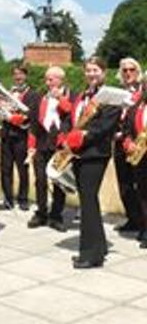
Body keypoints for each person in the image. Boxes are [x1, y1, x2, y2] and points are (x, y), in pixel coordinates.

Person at [65, 57, 122, 269]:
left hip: (96, 153)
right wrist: (66, 136)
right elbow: (72, 120)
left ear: (104, 72)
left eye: (95, 70)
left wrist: (83, 137)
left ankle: (90, 255)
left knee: (88, 199)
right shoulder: (81, 96)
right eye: (88, 70)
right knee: (88, 200)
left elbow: (106, 125)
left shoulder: (111, 95)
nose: (91, 74)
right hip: (79, 153)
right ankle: (98, 246)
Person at [27, 66, 74, 232]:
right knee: (40, 180)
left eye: (51, 79)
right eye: (46, 79)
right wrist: (31, 147)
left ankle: (56, 215)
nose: (48, 82)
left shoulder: (71, 95)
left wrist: (60, 97)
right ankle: (41, 212)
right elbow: (33, 124)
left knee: (59, 182)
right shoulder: (39, 97)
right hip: (41, 144)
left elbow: (71, 112)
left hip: (60, 145)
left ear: (61, 79)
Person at [0, 64, 39, 210]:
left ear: (25, 76)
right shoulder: (7, 92)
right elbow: (0, 111)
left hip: (21, 135)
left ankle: (23, 199)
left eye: (21, 74)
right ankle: (8, 199)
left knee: (22, 169)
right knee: (5, 168)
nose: (18, 77)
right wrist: (3, 109)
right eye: (15, 74)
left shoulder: (32, 94)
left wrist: (15, 117)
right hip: (6, 134)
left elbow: (31, 115)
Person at [113, 57, 143, 233]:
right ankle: (133, 218)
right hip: (119, 144)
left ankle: (144, 223)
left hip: (139, 144)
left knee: (141, 184)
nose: (128, 73)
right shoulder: (116, 94)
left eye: (131, 69)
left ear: (138, 72)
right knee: (124, 183)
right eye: (124, 70)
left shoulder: (143, 92)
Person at [122, 75, 147, 248]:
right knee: (143, 194)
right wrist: (128, 143)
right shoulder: (134, 108)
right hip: (141, 157)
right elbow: (126, 131)